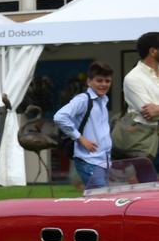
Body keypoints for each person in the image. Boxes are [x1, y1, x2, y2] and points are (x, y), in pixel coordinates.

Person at [54, 62, 115, 191]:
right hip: (89, 160)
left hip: (103, 160)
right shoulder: (83, 99)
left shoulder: (103, 100)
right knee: (102, 197)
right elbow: (60, 117)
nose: (104, 84)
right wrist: (81, 138)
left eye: (107, 81)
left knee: (101, 199)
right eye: (99, 80)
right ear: (89, 82)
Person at [116, 31, 159, 160]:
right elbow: (150, 115)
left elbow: (155, 112)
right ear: (153, 51)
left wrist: (157, 109)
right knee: (149, 180)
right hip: (148, 144)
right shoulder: (133, 78)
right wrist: (155, 111)